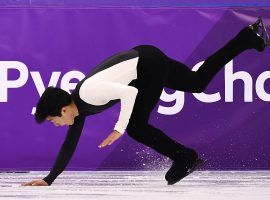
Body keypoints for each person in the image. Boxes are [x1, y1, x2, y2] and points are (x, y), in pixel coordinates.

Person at [21, 17, 269, 186]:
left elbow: (129, 94)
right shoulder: (78, 107)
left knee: (135, 126)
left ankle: (186, 157)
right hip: (145, 60)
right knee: (197, 82)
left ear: (63, 110)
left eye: (54, 120)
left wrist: (119, 129)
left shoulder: (88, 93)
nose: (57, 125)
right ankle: (247, 38)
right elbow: (69, 146)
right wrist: (49, 179)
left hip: (147, 66)